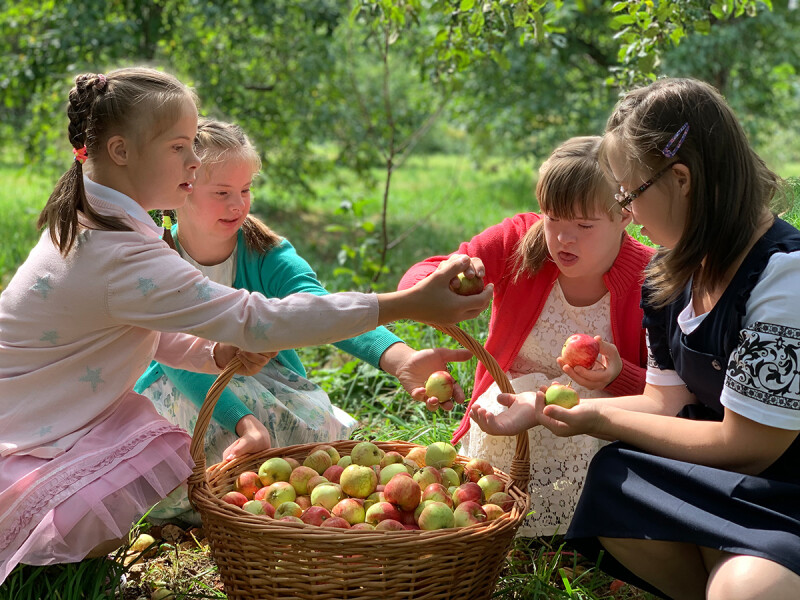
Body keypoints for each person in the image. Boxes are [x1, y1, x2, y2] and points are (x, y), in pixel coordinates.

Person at [0, 67, 491, 584]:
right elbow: (255, 321)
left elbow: (148, 329)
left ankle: (69, 571)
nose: (192, 161)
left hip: (53, 403)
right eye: (179, 147)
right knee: (131, 462)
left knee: (136, 460)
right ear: (120, 152)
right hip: (32, 421)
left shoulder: (97, 221)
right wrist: (407, 302)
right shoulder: (123, 253)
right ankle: (53, 573)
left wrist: (214, 355)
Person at [472, 78, 800, 600]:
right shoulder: (672, 278)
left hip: (778, 488)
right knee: (612, 480)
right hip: (715, 476)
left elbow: (751, 447)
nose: (631, 214)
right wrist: (543, 406)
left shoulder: (784, 278)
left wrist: (598, 416)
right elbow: (665, 402)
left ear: (681, 179)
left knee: (748, 590)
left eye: (629, 194)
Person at [134, 117, 474, 475]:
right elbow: (173, 358)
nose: (238, 205)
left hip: (266, 380)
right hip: (187, 386)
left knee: (307, 460)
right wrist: (244, 423)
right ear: (182, 189)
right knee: (197, 454)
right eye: (222, 193)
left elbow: (321, 307)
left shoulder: (264, 252)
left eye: (246, 190)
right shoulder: (158, 258)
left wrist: (399, 358)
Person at [398, 136, 654, 537]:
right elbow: (421, 274)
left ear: (625, 216)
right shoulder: (520, 240)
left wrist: (616, 377)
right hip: (508, 405)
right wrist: (451, 286)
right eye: (553, 219)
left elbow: (667, 391)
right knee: (493, 477)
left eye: (584, 226)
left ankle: (574, 533)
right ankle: (509, 520)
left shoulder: (648, 278)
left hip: (591, 423)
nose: (564, 239)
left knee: (592, 449)